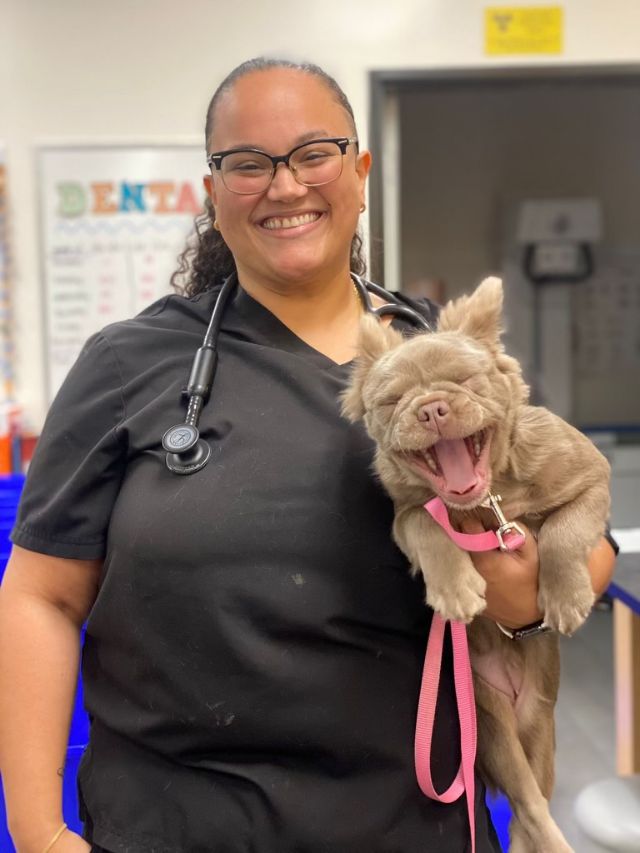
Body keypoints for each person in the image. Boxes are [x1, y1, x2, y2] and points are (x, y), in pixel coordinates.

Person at [0, 57, 616, 853]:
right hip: (178, 825)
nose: (284, 186)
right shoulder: (130, 364)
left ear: (359, 173)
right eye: (247, 164)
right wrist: (39, 831)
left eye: (314, 153)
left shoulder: (437, 354)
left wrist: (527, 595)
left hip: (411, 822)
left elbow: (579, 529)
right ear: (212, 193)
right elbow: (40, 597)